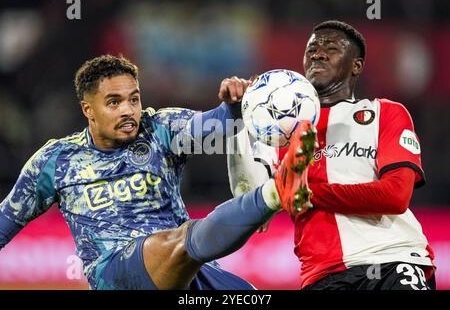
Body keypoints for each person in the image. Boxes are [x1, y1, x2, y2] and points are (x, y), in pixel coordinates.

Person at [0, 54, 316, 290]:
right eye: (113, 102)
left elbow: (214, 129)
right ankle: (275, 191)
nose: (128, 110)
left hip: (187, 266)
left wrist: (233, 108)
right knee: (180, 239)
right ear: (88, 109)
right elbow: (4, 223)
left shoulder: (160, 129)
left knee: (246, 294)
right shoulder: (56, 160)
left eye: (133, 99)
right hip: (116, 273)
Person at [227, 20, 436, 290]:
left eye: (331, 47)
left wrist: (306, 194)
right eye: (311, 48)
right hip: (323, 275)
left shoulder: (384, 113)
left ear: (356, 65)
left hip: (393, 259)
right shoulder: (278, 131)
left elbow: (395, 195)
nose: (318, 52)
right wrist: (238, 117)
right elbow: (253, 212)